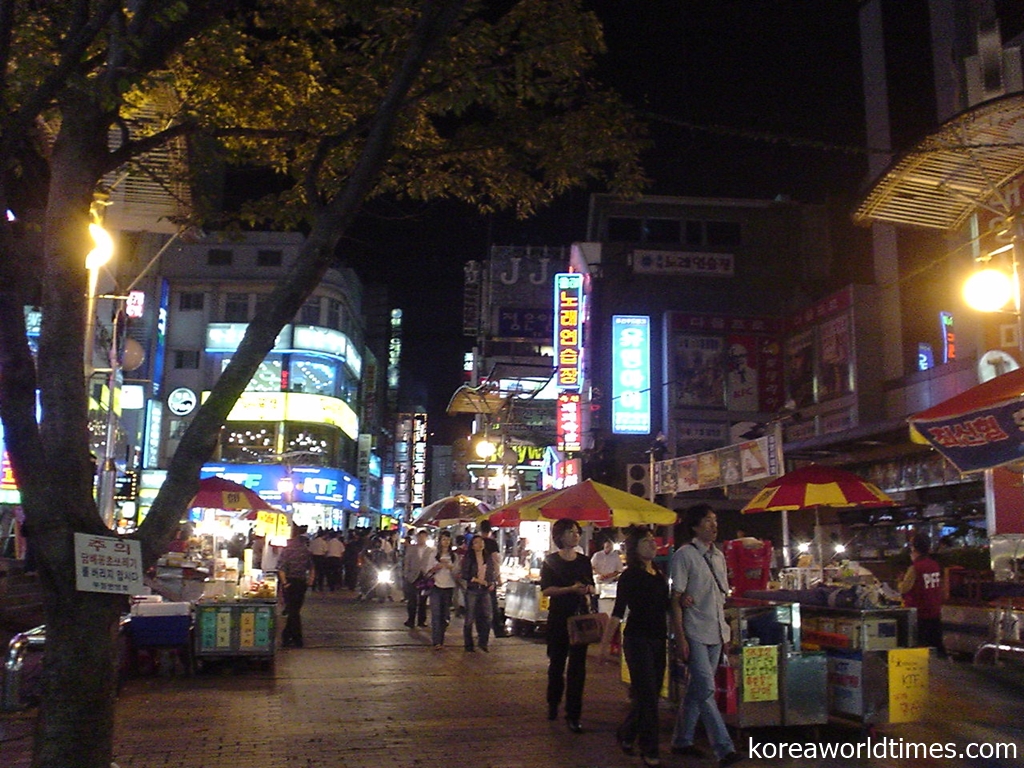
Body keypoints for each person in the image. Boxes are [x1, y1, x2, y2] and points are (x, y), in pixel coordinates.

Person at [670, 504, 742, 767]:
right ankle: (724, 748)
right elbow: (675, 599)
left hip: (716, 630)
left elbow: (720, 598)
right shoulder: (684, 555)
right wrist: (680, 638)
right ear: (694, 526)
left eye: (715, 520)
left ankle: (682, 740)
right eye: (708, 521)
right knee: (706, 690)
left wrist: (726, 632)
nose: (713, 526)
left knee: (696, 690)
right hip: (694, 632)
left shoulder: (719, 556)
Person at [600, 527, 670, 768]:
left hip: (659, 639)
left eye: (652, 540)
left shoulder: (659, 574)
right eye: (645, 541)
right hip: (637, 640)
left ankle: (627, 733)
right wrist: (604, 644)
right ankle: (649, 749)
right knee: (648, 696)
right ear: (634, 549)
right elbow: (618, 612)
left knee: (648, 695)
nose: (652, 544)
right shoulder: (630, 576)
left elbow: (667, 606)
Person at [540, 518, 594, 734]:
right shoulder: (551, 561)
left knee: (578, 669)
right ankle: (553, 703)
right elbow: (546, 590)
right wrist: (570, 589)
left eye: (577, 532)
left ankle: (574, 713)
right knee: (557, 664)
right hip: (559, 618)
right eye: (571, 532)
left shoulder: (584, 561)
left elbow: (591, 586)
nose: (575, 535)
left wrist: (586, 589)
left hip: (580, 618)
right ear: (560, 535)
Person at [899, 533, 945, 656]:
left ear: (914, 548)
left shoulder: (915, 568)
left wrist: (900, 581)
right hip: (934, 612)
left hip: (919, 614)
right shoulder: (934, 565)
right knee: (936, 647)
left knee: (920, 649)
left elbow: (904, 588)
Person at [277, 525, 315, 648]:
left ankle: (295, 639)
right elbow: (312, 567)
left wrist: (284, 583)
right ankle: (289, 637)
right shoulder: (305, 550)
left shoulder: (286, 550)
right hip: (301, 582)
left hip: (290, 582)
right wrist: (310, 581)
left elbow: (281, 569)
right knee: (295, 610)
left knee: (293, 611)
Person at [459, 534, 497, 652]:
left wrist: (492, 582)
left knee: (488, 616)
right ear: (472, 546)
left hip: (484, 589)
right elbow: (464, 574)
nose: (480, 545)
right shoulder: (469, 558)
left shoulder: (488, 557)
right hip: (473, 589)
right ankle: (468, 644)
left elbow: (491, 571)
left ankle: (483, 641)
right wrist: (476, 579)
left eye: (481, 542)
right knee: (470, 618)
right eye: (476, 543)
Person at [427, 530, 458, 649]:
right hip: (436, 587)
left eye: (448, 539)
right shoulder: (434, 554)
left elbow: (458, 572)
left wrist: (451, 568)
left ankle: (441, 637)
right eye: (444, 539)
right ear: (440, 541)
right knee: (436, 614)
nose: (446, 542)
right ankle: (437, 641)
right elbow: (428, 570)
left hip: (449, 587)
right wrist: (437, 567)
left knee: (445, 616)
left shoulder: (453, 556)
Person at [477, 520, 506, 636]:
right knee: (492, 604)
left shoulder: (476, 542)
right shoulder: (492, 543)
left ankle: (480, 630)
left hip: (477, 578)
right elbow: (496, 561)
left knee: (479, 606)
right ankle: (497, 630)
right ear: (490, 530)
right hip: (489, 577)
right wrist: (498, 576)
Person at [402, 529, 432, 628]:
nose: (421, 539)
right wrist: (406, 574)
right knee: (412, 600)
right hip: (413, 576)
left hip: (425, 577)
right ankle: (411, 620)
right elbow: (407, 562)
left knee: (423, 600)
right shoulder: (411, 549)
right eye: (420, 537)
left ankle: (421, 620)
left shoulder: (430, 550)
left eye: (424, 537)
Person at [590, 536, 624, 610]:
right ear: (604, 545)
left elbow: (619, 570)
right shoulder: (597, 555)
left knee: (608, 601)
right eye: (607, 546)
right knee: (596, 597)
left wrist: (609, 575)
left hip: (610, 582)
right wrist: (600, 574)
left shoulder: (616, 557)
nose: (608, 548)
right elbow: (591, 566)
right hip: (598, 580)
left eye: (610, 547)